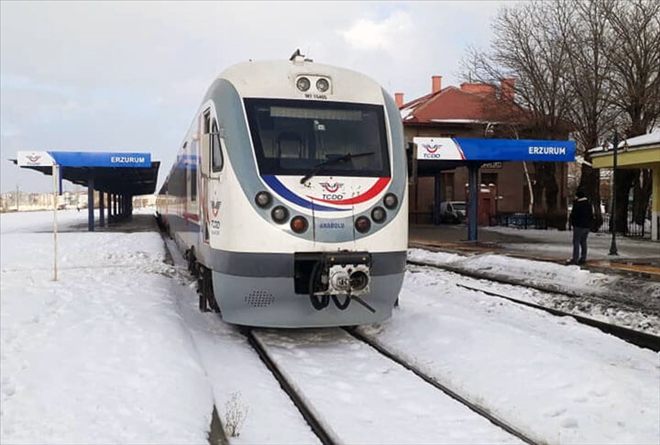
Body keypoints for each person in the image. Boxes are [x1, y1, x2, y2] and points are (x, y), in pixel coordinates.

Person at [567, 189, 593, 265]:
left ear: (578, 196)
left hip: (578, 226)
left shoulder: (577, 204)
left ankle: (575, 258)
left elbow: (574, 215)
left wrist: (573, 223)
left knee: (576, 242)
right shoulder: (588, 204)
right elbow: (591, 215)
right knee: (583, 242)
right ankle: (583, 258)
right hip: (586, 226)